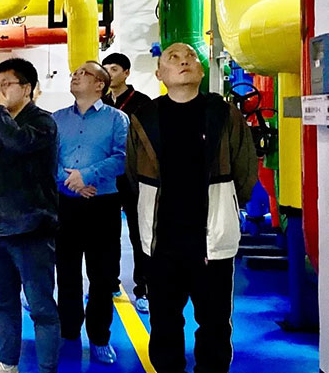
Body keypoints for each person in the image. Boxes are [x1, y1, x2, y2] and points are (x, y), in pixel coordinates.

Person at [125, 43, 258, 373]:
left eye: (190, 58)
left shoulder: (224, 114)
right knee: (164, 321)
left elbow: (245, 169)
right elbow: (133, 175)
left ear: (201, 70)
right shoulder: (144, 118)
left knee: (215, 322)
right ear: (159, 74)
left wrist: (227, 206)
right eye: (173, 58)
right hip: (162, 240)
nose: (183, 61)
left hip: (212, 240)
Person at [0, 59, 60, 373]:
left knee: (41, 307)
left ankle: (47, 368)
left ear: (27, 89)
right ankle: (6, 363)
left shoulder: (42, 122)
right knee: (3, 301)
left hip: (31, 228)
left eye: (6, 84)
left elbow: (19, 143)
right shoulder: (1, 125)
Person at [52, 60, 129, 365]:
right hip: (66, 204)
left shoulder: (117, 119)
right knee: (66, 271)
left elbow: (122, 158)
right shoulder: (57, 119)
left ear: (100, 84)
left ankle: (99, 337)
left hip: (102, 205)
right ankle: (69, 331)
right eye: (75, 73)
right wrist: (70, 181)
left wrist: (87, 176)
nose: (76, 76)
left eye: (84, 73)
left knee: (102, 274)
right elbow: (48, 159)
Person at [102, 53, 152, 313]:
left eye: (114, 69)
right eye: (106, 69)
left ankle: (143, 288)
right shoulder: (99, 103)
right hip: (107, 177)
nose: (109, 74)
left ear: (126, 73)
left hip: (134, 177)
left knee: (138, 233)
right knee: (107, 233)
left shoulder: (142, 103)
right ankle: (109, 282)